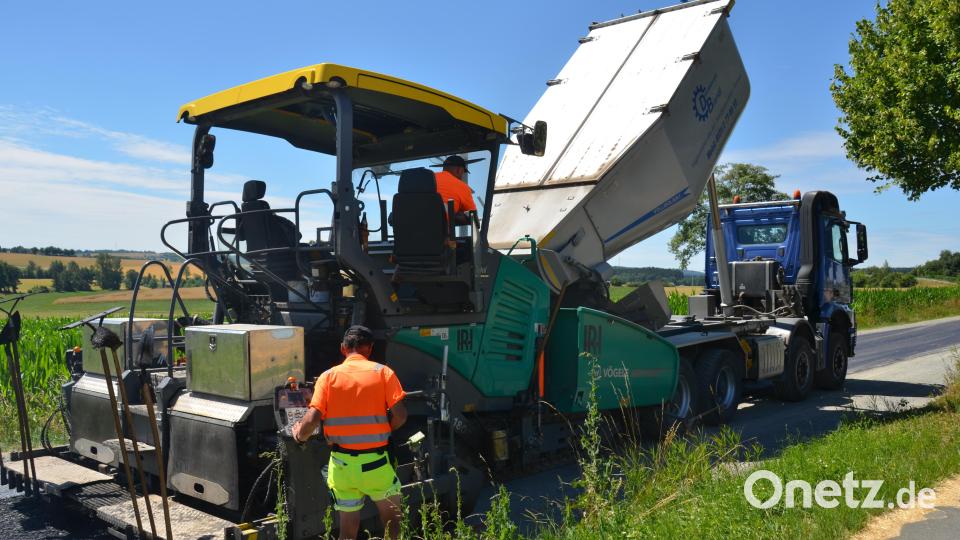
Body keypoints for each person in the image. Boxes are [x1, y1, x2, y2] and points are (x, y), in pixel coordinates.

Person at [292, 326, 407, 540]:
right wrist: (382, 431)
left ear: (343, 348)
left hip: (342, 466)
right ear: (370, 349)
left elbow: (311, 419)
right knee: (393, 523)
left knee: (347, 531)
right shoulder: (383, 372)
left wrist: (299, 436)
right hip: (377, 464)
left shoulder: (327, 377)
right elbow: (400, 415)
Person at [434, 155, 477, 225]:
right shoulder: (463, 187)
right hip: (437, 231)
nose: (462, 176)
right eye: (463, 172)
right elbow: (472, 217)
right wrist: (455, 214)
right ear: (459, 170)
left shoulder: (429, 178)